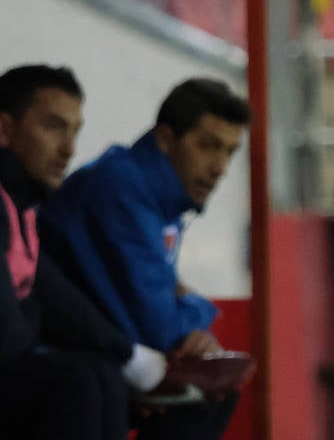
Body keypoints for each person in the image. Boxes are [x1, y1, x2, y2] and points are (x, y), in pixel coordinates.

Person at [40, 77, 251, 440]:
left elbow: (161, 309)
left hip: (98, 356)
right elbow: (160, 326)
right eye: (208, 146)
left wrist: (187, 315)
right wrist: (195, 311)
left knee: (208, 383)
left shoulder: (163, 198)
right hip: (57, 358)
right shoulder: (120, 188)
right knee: (195, 386)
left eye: (229, 152)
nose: (220, 168)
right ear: (166, 140)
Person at [0, 65, 168, 440]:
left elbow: (59, 301)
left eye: (75, 131)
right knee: (78, 381)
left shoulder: (23, 210)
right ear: (5, 130)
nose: (69, 150)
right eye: (54, 127)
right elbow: (9, 338)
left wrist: (125, 355)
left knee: (101, 375)